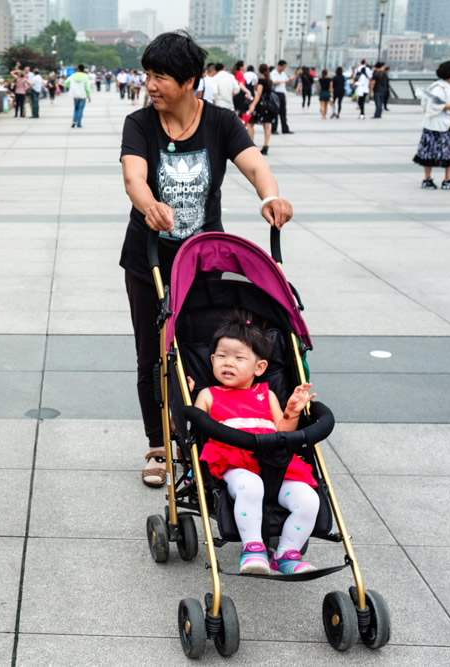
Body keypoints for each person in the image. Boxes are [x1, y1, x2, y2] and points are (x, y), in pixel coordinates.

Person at [119, 32, 293, 487]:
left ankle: (204, 431)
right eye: (148, 74)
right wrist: (148, 205)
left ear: (190, 80)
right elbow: (134, 176)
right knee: (152, 353)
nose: (151, 84)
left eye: (160, 76)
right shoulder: (140, 123)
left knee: (200, 345)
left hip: (202, 259)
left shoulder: (219, 122)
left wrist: (270, 196)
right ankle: (159, 446)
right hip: (150, 259)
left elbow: (254, 163)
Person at [192, 312, 319, 575]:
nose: (229, 362)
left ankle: (287, 554)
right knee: (251, 486)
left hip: (275, 462)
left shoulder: (267, 393)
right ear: (212, 360)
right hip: (234, 460)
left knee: (308, 499)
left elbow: (282, 431)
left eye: (239, 358)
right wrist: (183, 397)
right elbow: (190, 429)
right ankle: (253, 548)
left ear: (259, 367)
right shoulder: (208, 394)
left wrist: (292, 411)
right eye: (222, 356)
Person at [414, 60, 450, 190]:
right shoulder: (439, 88)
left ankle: (447, 179)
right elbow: (432, 106)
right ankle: (428, 179)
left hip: (445, 124)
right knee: (431, 153)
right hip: (437, 125)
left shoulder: (446, 86)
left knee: (449, 152)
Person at [246, 64, 276, 155]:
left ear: (259, 70)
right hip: (269, 106)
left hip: (261, 106)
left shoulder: (261, 81)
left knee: (250, 124)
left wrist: (253, 105)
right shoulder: (269, 80)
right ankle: (265, 146)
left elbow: (258, 94)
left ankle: (251, 145)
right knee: (267, 126)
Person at [270, 60, 296, 134]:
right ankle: (274, 129)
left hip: (282, 94)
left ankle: (285, 129)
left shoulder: (283, 73)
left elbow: (285, 82)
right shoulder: (273, 73)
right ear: (279, 66)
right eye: (283, 67)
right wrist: (284, 81)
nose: (284, 68)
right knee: (275, 112)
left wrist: (289, 80)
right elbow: (275, 82)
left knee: (283, 112)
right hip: (275, 94)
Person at [65, 64, 92, 128]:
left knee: (76, 108)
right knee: (80, 109)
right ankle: (79, 123)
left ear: (78, 69)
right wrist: (89, 96)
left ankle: (74, 120)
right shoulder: (85, 76)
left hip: (75, 94)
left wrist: (70, 87)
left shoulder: (73, 75)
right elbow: (87, 87)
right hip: (82, 95)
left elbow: (66, 82)